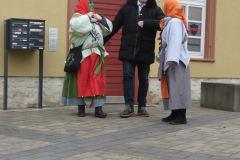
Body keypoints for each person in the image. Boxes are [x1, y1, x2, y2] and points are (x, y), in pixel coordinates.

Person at [104, 0, 165, 118]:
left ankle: (142, 107)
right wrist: (102, 41)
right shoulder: (127, 7)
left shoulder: (155, 9)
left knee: (143, 79)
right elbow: (115, 25)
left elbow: (162, 23)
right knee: (127, 75)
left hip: (145, 50)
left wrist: (146, 23)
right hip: (128, 49)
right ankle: (129, 106)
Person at [61, 0, 113, 118]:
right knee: (82, 82)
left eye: (92, 4)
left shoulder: (95, 20)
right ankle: (81, 109)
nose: (91, 6)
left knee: (98, 83)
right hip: (83, 57)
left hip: (97, 56)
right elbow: (78, 28)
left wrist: (100, 18)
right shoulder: (76, 19)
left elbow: (109, 29)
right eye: (89, 4)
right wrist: (87, 17)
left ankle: (98, 109)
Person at [157, 0, 191, 125]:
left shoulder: (175, 22)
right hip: (173, 58)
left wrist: (171, 59)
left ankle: (182, 117)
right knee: (173, 87)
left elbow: (176, 41)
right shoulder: (170, 22)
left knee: (179, 87)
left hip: (177, 60)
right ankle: (175, 113)